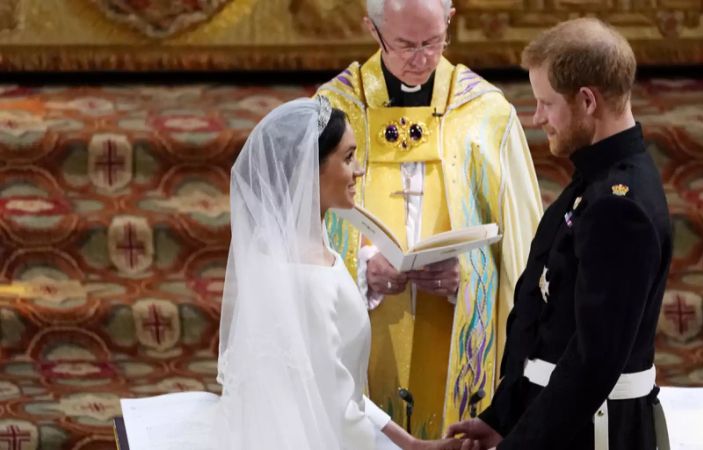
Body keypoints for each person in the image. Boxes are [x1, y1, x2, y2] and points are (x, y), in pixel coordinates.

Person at [315, 0, 543, 435]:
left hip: (454, 331)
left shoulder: (488, 115)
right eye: (404, 45)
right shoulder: (333, 109)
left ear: (450, 21)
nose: (421, 58)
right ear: (371, 29)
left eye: (433, 42)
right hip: (367, 331)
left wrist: (470, 279)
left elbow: (524, 250)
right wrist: (359, 271)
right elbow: (300, 227)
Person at [446, 18, 673, 450]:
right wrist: (504, 417)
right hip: (562, 422)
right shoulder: (596, 180)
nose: (538, 118)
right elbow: (548, 325)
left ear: (587, 100)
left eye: (547, 103)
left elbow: (593, 362)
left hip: (592, 432)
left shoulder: (618, 207)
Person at [215, 97, 464, 450]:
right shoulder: (306, 277)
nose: (359, 170)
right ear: (308, 170)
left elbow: (341, 388)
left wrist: (410, 443)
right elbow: (334, 408)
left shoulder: (309, 247)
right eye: (348, 158)